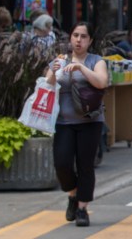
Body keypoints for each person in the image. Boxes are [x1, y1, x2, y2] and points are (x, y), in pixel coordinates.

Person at [46, 22, 108, 227]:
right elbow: (48, 84)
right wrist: (54, 71)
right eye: (75, 35)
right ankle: (73, 195)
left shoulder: (96, 61)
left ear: (90, 41)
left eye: (83, 36)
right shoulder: (60, 60)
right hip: (63, 122)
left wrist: (81, 67)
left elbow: (101, 82)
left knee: (85, 166)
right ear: (70, 38)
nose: (79, 40)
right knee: (62, 163)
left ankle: (82, 209)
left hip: (90, 121)